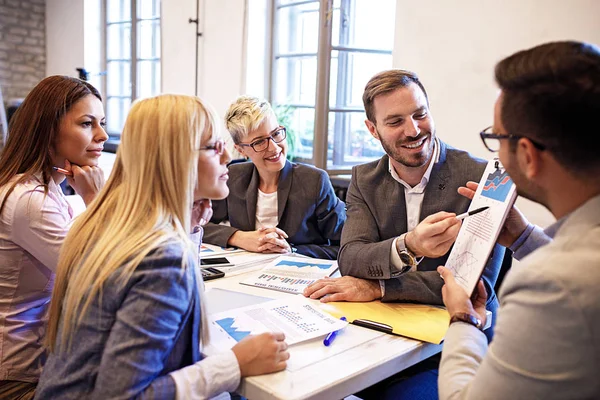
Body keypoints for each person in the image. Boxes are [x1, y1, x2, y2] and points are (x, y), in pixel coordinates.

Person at [35, 94, 289, 399]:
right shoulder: (160, 258)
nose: (226, 159)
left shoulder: (118, 227)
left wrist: (191, 227)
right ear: (174, 159)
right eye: (212, 147)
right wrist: (235, 364)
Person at [437, 41, 600, 399]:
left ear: (527, 154)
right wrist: (524, 236)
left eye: (496, 138)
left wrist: (463, 320)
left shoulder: (551, 285)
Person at [304, 70, 504, 337]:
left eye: (420, 115)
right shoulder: (364, 180)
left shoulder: (487, 177)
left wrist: (379, 287)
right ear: (373, 129)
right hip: (384, 328)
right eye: (395, 121)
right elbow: (351, 258)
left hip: (462, 332)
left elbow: (475, 283)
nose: (413, 130)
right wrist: (409, 246)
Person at [0, 75, 107, 399]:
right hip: (19, 381)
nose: (102, 136)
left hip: (43, 363)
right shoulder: (30, 200)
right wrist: (97, 199)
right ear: (48, 129)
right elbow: (103, 277)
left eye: (101, 123)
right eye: (87, 123)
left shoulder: (44, 189)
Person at [203, 95, 346, 259]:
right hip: (246, 274)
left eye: (276, 133)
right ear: (241, 150)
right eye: (259, 142)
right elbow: (196, 225)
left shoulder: (314, 181)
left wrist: (292, 250)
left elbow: (346, 244)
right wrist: (240, 237)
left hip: (298, 273)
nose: (274, 147)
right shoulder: (234, 177)